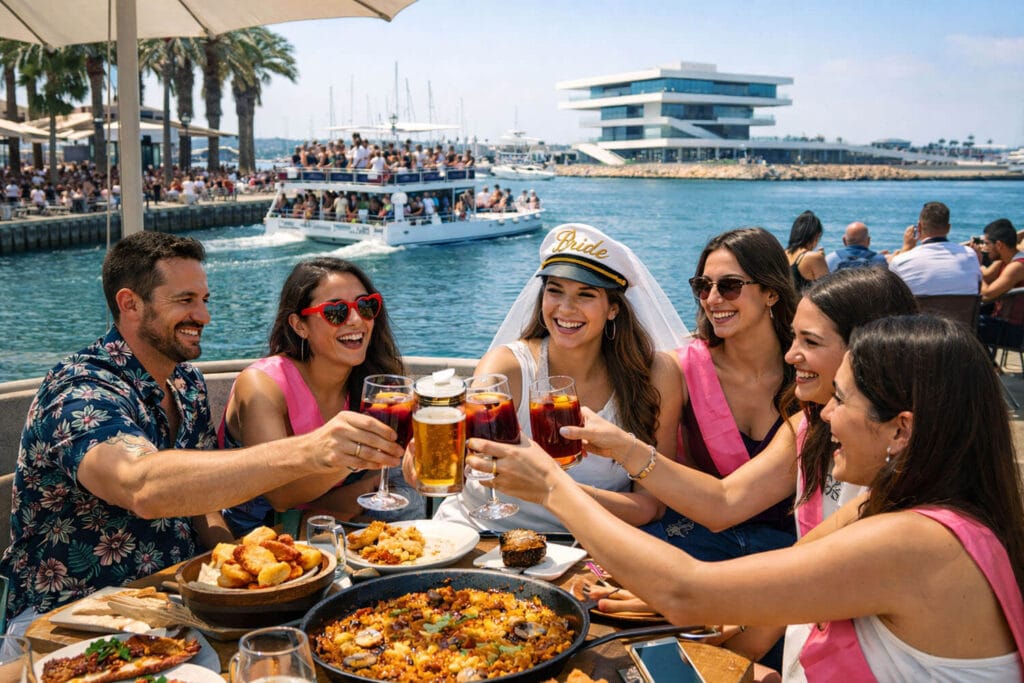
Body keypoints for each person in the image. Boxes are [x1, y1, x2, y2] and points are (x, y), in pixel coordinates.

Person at [471, 315, 1024, 680]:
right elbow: (774, 582)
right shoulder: (900, 506)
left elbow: (688, 593)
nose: (825, 416)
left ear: (900, 430)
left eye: (843, 400)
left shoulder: (916, 542)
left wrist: (552, 485)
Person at [0, 232, 404, 626]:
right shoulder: (80, 391)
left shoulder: (185, 383)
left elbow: (204, 505)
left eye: (205, 300)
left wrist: (236, 561)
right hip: (68, 617)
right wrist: (313, 450)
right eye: (185, 301)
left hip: (174, 601)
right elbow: (141, 486)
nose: (205, 316)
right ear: (130, 304)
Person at [430, 223, 689, 532]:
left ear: (614, 309)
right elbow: (463, 460)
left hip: (590, 546)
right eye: (555, 290)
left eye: (585, 294)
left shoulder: (656, 377)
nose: (566, 308)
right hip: (481, 533)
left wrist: (551, 489)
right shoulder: (506, 367)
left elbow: (651, 506)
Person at [220, 257, 424, 536]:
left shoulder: (376, 381)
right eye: (336, 311)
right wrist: (359, 463)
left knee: (412, 490)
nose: (356, 320)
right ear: (299, 325)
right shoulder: (261, 384)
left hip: (331, 520)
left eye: (366, 306)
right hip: (263, 539)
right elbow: (280, 496)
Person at [651, 228, 798, 563]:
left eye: (729, 286)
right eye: (703, 286)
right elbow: (656, 488)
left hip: (794, 551)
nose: (712, 299)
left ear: (771, 293)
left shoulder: (807, 369)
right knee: (593, 585)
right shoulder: (678, 371)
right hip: (698, 544)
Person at [888, 201, 981, 295]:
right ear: (948, 228)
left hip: (919, 310)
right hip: (965, 310)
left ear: (919, 228)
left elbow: (892, 296)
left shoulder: (900, 261)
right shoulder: (971, 255)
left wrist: (906, 247)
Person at [976, 218, 1023, 345]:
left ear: (999, 245)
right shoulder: (1003, 260)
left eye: (986, 244)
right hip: (1001, 323)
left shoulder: (1018, 266)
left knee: (966, 326)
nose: (984, 248)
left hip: (1015, 331)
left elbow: (986, 295)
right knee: (965, 321)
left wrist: (976, 266)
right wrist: (977, 261)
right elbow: (986, 276)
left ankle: (984, 363)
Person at [785, 211, 828, 292]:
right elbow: (827, 291)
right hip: (804, 304)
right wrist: (821, 259)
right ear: (816, 236)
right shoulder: (813, 257)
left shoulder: (782, 254)